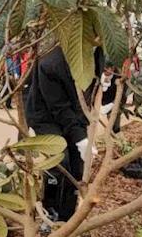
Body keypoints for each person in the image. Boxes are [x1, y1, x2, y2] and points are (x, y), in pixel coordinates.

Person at [24, 45, 102, 225]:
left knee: (77, 166)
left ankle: (67, 218)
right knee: (60, 160)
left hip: (75, 111)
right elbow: (58, 108)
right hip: (45, 115)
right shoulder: (51, 63)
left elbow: (90, 91)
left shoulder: (96, 52)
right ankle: (49, 213)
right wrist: (80, 138)